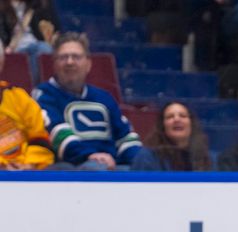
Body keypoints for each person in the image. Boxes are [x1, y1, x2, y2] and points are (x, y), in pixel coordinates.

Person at [32, 32, 142, 170]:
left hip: (110, 164)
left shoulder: (104, 97)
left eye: (76, 57)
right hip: (73, 167)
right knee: (95, 169)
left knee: (145, 168)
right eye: (63, 57)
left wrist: (140, 159)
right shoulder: (44, 94)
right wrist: (90, 155)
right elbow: (58, 134)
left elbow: (125, 136)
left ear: (88, 64)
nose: (70, 62)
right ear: (54, 64)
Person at [0, 44, 53, 168]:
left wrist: (29, 164)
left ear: (1, 63)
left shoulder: (18, 98)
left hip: (26, 174)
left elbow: (40, 140)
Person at [131, 101, 213, 171]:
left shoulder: (204, 157)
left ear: (191, 124)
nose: (177, 119)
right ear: (162, 126)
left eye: (182, 116)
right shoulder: (147, 157)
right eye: (170, 117)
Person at [0, 0, 60, 83]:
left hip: (37, 45)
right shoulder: (2, 7)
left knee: (44, 48)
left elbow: (55, 29)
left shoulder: (39, 4)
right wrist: (4, 47)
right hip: (14, 48)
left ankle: (41, 87)